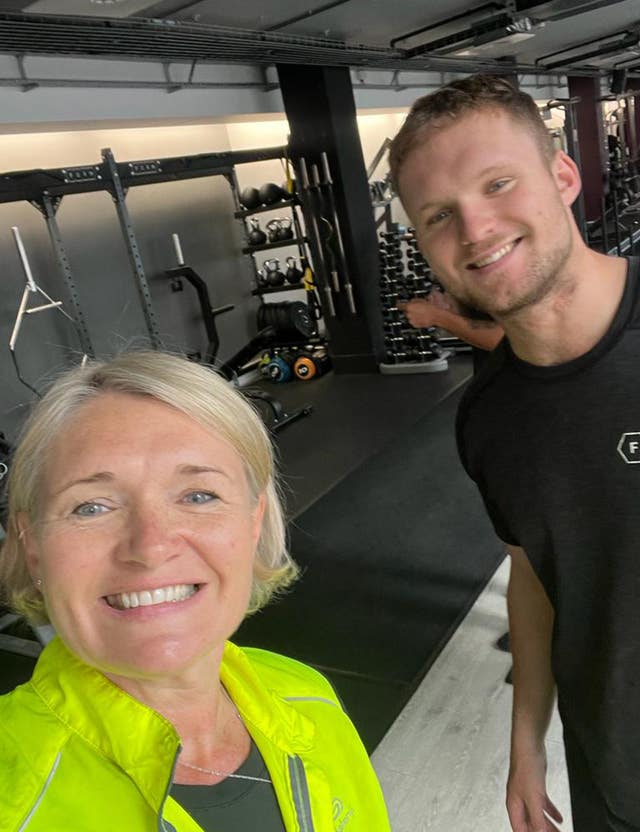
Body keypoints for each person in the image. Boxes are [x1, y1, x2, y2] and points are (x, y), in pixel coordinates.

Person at [389, 74, 639, 832]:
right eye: (439, 216)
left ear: (563, 176)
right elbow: (532, 573)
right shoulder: (489, 420)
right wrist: (526, 744)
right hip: (613, 775)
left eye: (498, 183)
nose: (476, 229)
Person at [0, 350, 390, 832]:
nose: (151, 546)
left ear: (253, 522)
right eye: (91, 507)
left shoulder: (307, 695)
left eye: (198, 496)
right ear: (32, 545)